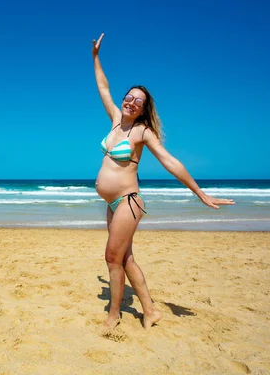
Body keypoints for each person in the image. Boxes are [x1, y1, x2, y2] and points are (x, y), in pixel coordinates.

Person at [92, 33, 235, 330]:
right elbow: (103, 87)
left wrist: (199, 193)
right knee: (125, 258)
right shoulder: (115, 120)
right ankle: (150, 310)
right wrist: (95, 57)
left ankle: (114, 315)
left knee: (112, 257)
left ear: (144, 109)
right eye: (128, 97)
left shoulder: (143, 133)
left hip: (129, 202)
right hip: (112, 203)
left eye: (138, 101)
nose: (131, 102)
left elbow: (170, 161)